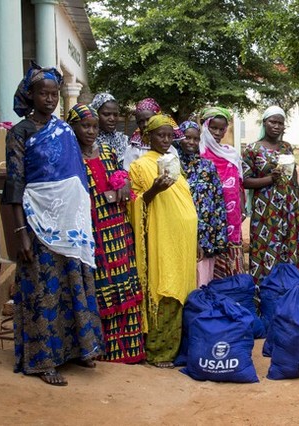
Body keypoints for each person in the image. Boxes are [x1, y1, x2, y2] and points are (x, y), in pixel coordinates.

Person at [4, 63, 103, 385]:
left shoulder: (63, 130)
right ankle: (42, 360)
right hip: (37, 219)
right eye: (43, 94)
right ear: (30, 95)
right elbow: (15, 183)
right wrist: (21, 233)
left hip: (70, 222)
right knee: (43, 289)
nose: (49, 99)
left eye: (54, 94)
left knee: (74, 281)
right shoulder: (20, 132)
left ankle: (78, 349)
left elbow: (77, 175)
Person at [66, 103, 146, 364]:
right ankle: (100, 349)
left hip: (117, 226)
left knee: (124, 279)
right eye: (85, 126)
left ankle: (129, 352)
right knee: (100, 283)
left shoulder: (109, 150)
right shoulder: (70, 156)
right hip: (90, 230)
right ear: (73, 127)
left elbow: (121, 175)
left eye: (94, 127)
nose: (90, 132)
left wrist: (123, 183)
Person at [128, 114, 197, 368]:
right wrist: (155, 190)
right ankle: (158, 352)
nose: (166, 140)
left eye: (169, 135)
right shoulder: (139, 166)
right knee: (164, 287)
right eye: (160, 135)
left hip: (183, 240)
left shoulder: (173, 162)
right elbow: (134, 204)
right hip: (161, 237)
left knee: (183, 290)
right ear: (148, 137)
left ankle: (178, 349)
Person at [242, 106, 299, 285]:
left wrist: (297, 206)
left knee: (288, 249)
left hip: (288, 209)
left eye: (280, 123)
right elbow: (245, 181)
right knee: (265, 248)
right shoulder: (252, 149)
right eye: (272, 122)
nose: (276, 126)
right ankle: (263, 296)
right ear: (264, 123)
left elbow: (293, 178)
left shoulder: (287, 147)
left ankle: (289, 295)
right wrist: (269, 179)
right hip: (265, 212)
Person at [178, 120, 228, 286]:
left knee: (203, 281)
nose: (191, 142)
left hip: (206, 233)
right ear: (178, 138)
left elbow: (218, 201)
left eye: (196, 139)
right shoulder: (172, 165)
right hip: (181, 231)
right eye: (187, 138)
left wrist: (219, 238)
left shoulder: (207, 166)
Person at [199, 107, 246, 278]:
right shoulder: (199, 152)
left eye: (222, 129)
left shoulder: (231, 153)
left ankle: (232, 290)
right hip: (208, 216)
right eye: (214, 128)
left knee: (231, 254)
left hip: (232, 215)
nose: (218, 133)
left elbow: (239, 183)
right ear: (205, 126)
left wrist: (242, 205)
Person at [124, 98, 180, 170]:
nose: (145, 124)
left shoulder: (170, 148)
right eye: (141, 121)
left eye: (149, 119)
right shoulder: (134, 149)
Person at [91, 93, 129, 168]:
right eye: (106, 114)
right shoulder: (89, 140)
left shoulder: (124, 140)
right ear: (95, 114)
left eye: (115, 115)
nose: (112, 119)